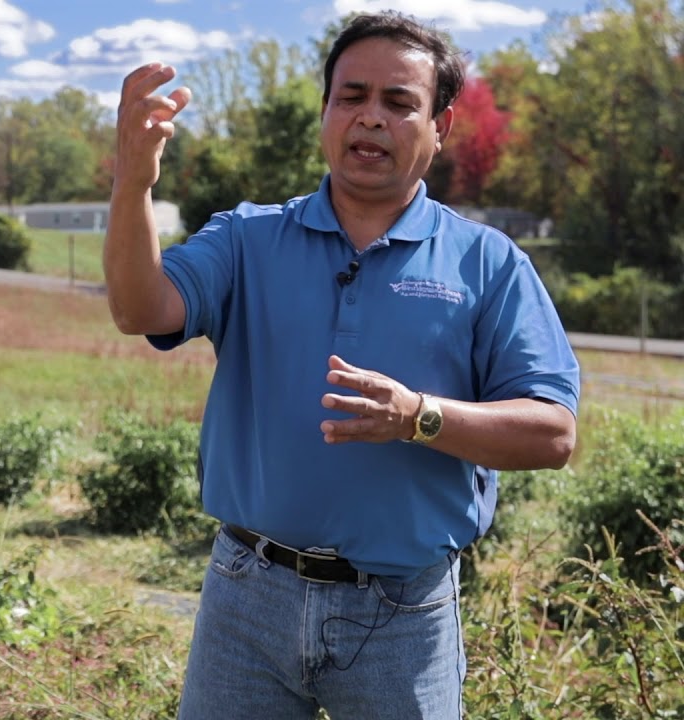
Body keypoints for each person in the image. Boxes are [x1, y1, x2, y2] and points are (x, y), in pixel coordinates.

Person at [103, 11, 580, 719]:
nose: (371, 117)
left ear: (441, 126)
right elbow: (140, 309)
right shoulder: (247, 238)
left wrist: (418, 417)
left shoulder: (488, 263)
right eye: (351, 96)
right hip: (247, 595)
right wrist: (133, 182)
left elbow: (553, 433)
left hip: (403, 616)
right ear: (325, 110)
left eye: (399, 102)